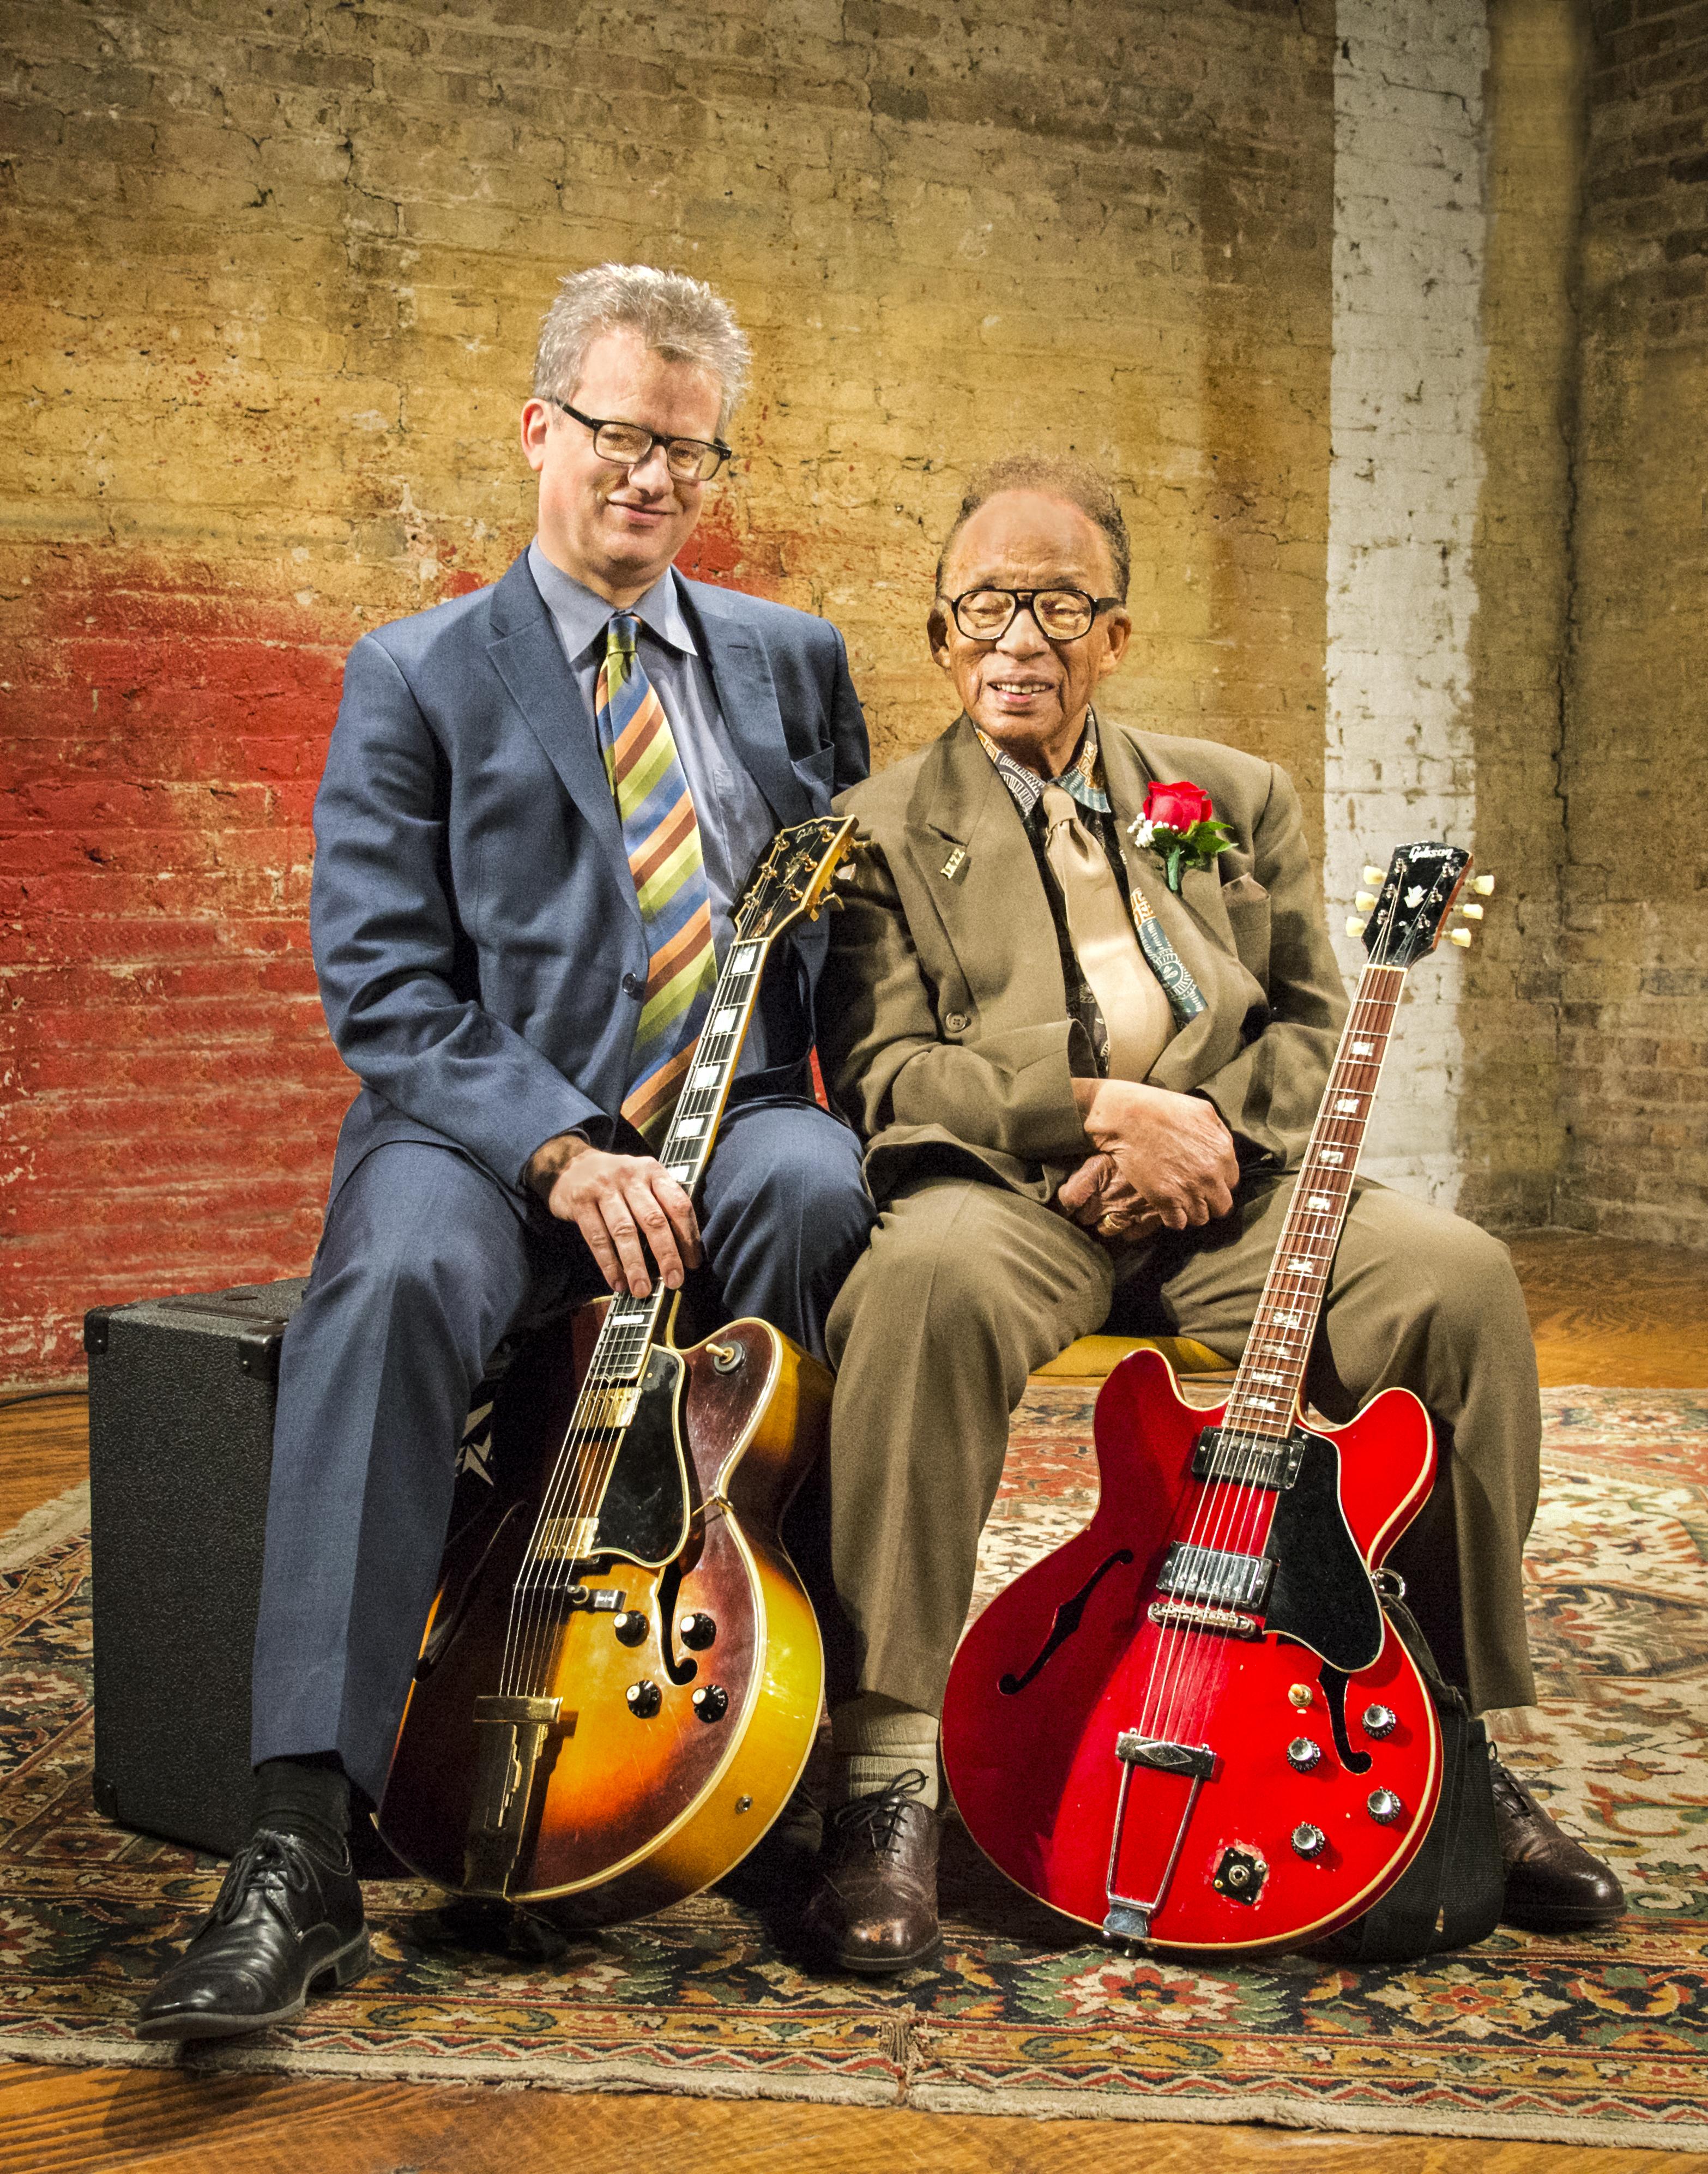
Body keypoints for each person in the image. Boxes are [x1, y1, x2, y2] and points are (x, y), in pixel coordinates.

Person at [137, 264, 877, 2040]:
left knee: (830, 1199)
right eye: (624, 435)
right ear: (543, 426)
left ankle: (796, 1743)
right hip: (482, 1132)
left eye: (691, 454)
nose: (656, 479)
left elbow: (860, 944)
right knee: (384, 1280)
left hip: (741, 1114)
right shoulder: (413, 672)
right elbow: (384, 984)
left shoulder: (792, 664)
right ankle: (301, 1836)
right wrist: (554, 1147)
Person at [799, 454, 1624, 1972]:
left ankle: (1463, 1749)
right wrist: (1103, 1113)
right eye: (984, 605)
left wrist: (1214, 1137)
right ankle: (885, 1778)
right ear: (937, 634)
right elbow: (890, 1073)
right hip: (1018, 1194)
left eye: (1057, 604)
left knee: (1456, 1279)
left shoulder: (1233, 799)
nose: (1018, 640)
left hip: (1230, 1196)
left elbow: (1316, 1021)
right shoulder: (875, 831)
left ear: (1115, 633)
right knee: (916, 1290)